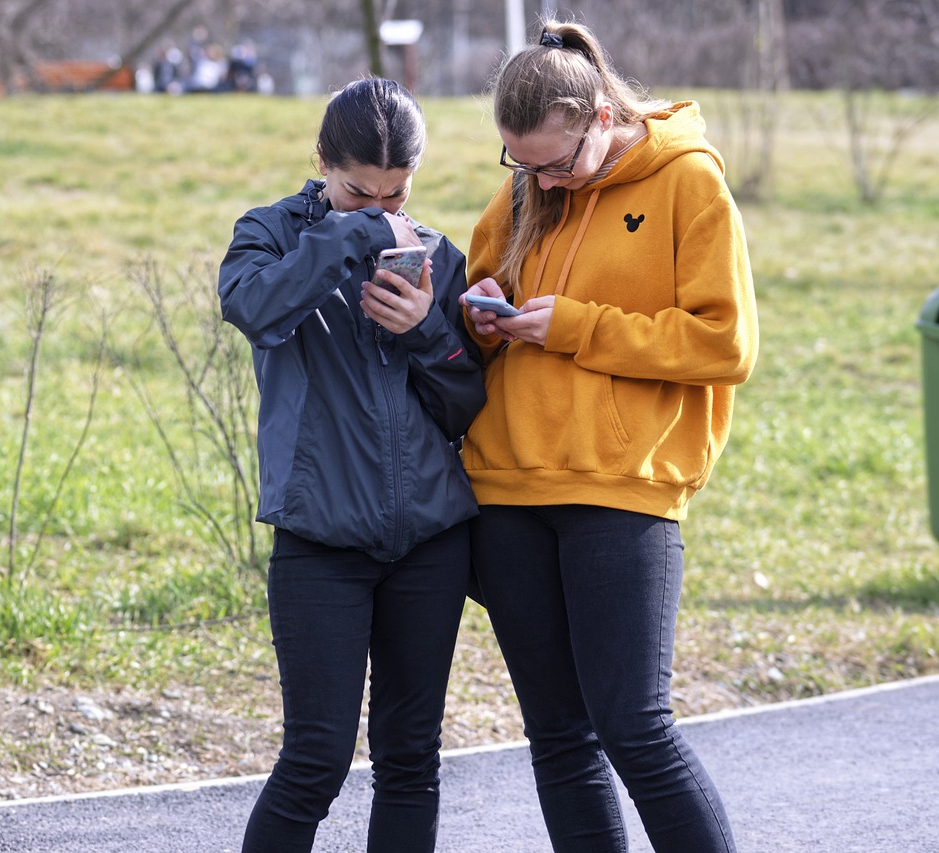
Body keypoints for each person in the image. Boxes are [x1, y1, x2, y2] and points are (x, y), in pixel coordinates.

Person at [460, 20, 759, 853]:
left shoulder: (687, 181)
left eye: (556, 163)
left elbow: (725, 344)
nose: (540, 181)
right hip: (509, 488)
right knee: (557, 737)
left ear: (598, 117)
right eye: (520, 165)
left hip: (622, 486)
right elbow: (486, 293)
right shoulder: (528, 186)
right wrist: (478, 316)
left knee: (635, 727)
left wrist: (578, 326)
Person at [218, 77, 486, 853]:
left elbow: (466, 400)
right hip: (320, 542)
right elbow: (256, 309)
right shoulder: (268, 233)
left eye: (396, 194)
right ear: (321, 164)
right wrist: (347, 236)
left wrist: (425, 332)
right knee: (315, 760)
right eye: (358, 192)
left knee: (411, 761)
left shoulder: (437, 252)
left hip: (431, 542)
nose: (381, 208)